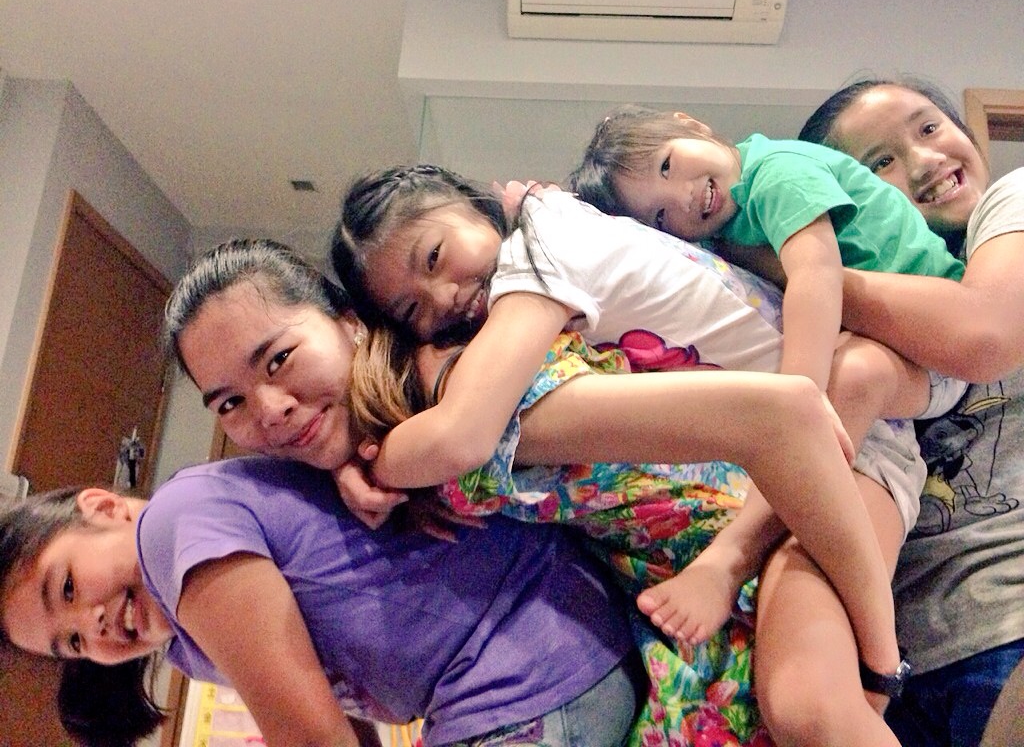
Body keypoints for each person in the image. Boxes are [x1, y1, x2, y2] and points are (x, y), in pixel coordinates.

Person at [168, 238, 898, 746]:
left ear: (350, 327)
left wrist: (880, 663)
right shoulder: (390, 437)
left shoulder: (470, 401)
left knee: (805, 716)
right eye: (229, 403)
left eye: (279, 359)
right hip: (672, 607)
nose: (269, 409)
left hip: (760, 543)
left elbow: (778, 416)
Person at [0, 463, 643, 747]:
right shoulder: (188, 649)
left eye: (67, 588)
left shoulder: (173, 525)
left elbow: (312, 738)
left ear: (105, 508)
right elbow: (330, 718)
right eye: (73, 643)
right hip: (500, 693)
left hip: (537, 661)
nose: (92, 624)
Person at [799, 77, 1024, 747]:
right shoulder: (854, 315)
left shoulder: (1013, 203)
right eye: (879, 162)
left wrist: (804, 267)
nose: (925, 159)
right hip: (906, 669)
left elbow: (984, 334)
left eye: (929, 128)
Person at [569, 104, 967, 455]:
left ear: (691, 125)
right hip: (899, 349)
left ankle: (761, 516)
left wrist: (800, 391)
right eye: (659, 216)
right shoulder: (717, 227)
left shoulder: (777, 173)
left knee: (841, 385)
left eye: (666, 166)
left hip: (937, 345)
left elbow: (816, 273)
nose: (682, 198)